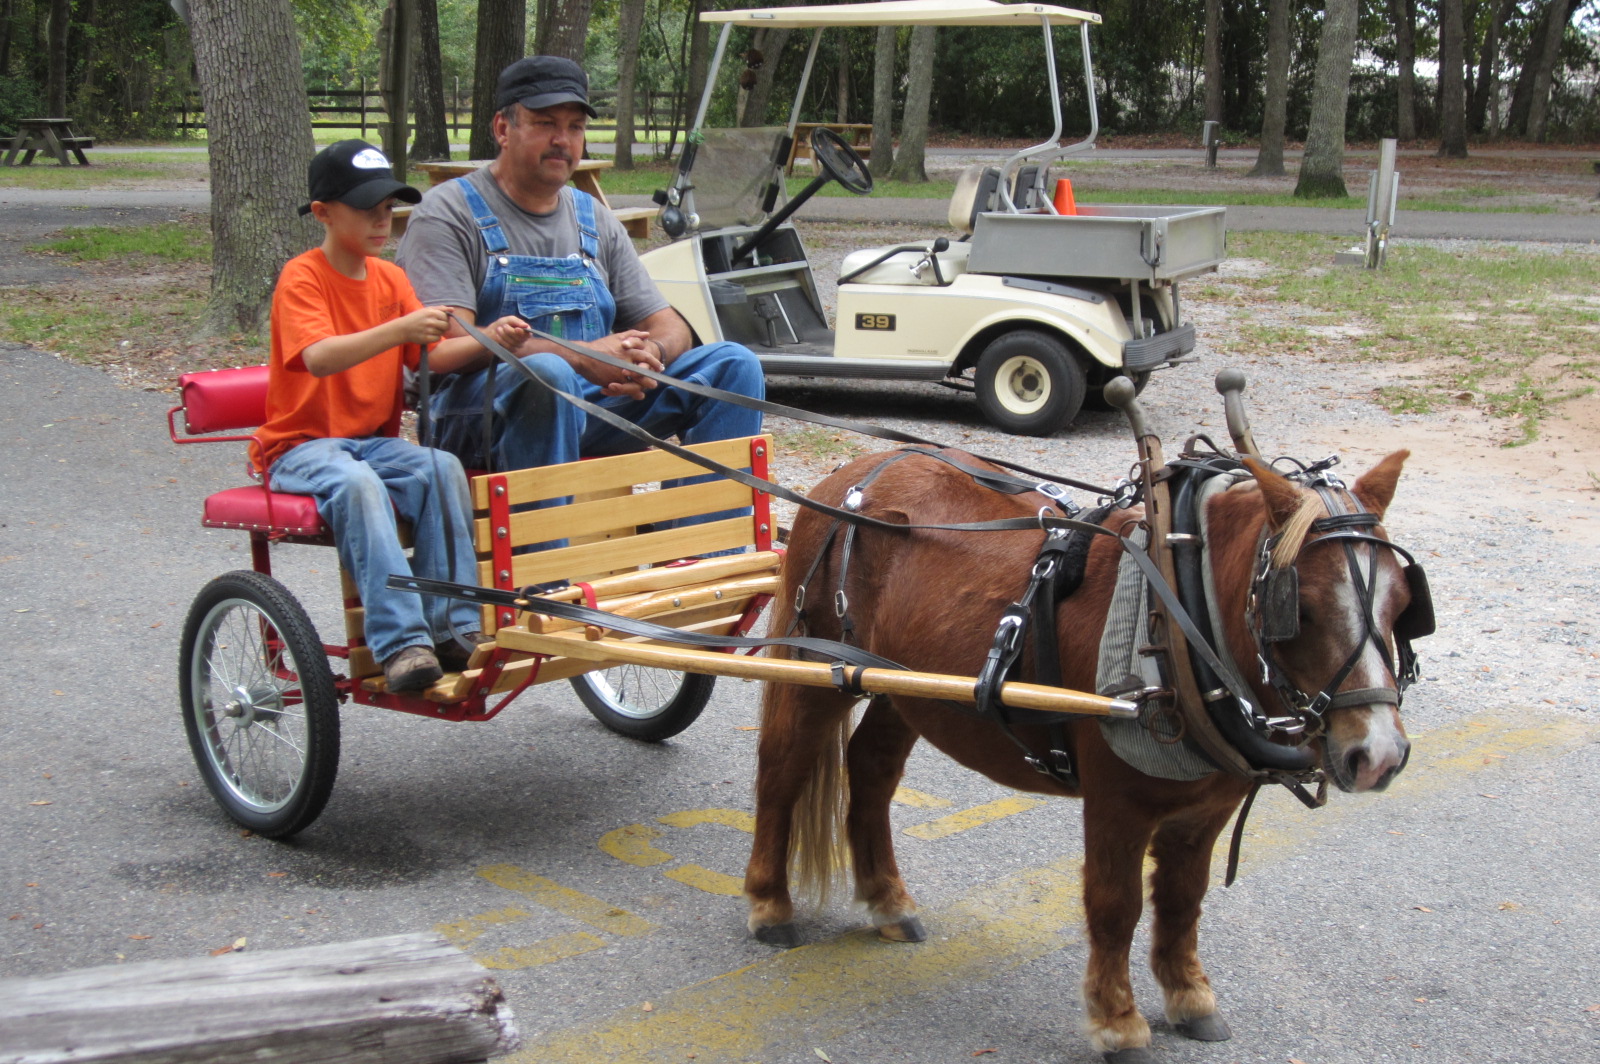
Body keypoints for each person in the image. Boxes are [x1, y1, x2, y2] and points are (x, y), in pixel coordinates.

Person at [395, 55, 764, 488]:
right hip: (475, 415)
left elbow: (668, 325)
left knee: (733, 365)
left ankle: (701, 548)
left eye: (574, 127)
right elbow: (449, 344)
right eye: (545, 123)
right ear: (502, 130)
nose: (562, 140)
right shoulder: (447, 214)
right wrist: (583, 357)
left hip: (591, 406)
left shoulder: (594, 218)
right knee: (548, 375)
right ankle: (544, 551)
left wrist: (649, 359)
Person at [258, 140, 530, 692]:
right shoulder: (302, 277)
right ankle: (402, 644)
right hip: (301, 449)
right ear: (323, 213)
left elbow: (430, 356)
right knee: (358, 484)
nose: (383, 220)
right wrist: (400, 329)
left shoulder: (390, 279)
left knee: (440, 467)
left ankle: (454, 627)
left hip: (371, 443)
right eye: (367, 209)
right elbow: (319, 357)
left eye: (389, 208)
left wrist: (488, 341)